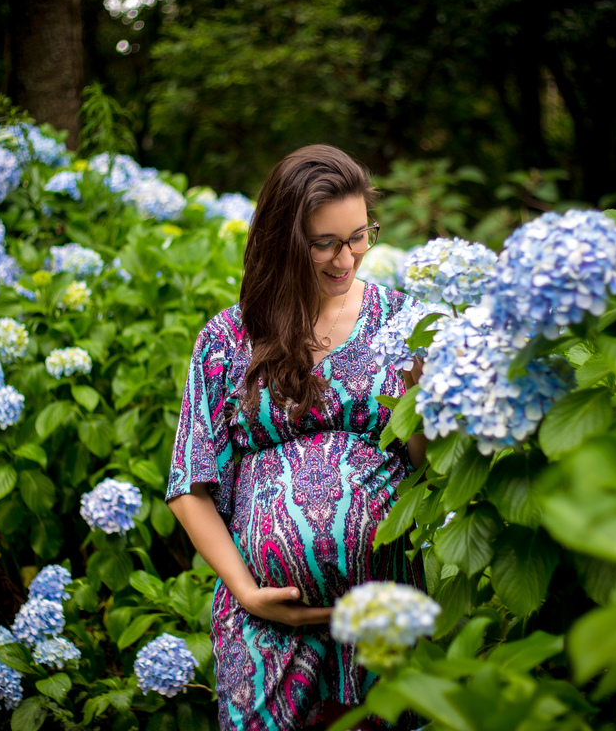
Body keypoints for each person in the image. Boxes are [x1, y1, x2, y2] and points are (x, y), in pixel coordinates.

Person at [166, 144, 427, 731]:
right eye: (325, 243)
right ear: (283, 240)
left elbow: (428, 471)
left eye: (359, 237)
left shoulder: (404, 324)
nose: (347, 258)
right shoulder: (229, 338)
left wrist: (423, 406)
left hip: (384, 618)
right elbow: (189, 484)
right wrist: (246, 592)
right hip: (266, 629)